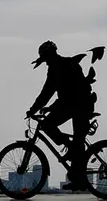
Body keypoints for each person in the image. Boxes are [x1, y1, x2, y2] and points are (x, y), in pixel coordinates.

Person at [26, 41, 95, 189]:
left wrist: (34, 109)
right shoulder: (67, 63)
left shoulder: (57, 68)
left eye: (45, 58)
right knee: (77, 142)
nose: (45, 62)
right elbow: (62, 92)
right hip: (78, 104)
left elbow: (48, 92)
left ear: (50, 55)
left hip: (77, 105)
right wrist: (50, 107)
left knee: (49, 126)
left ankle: (71, 151)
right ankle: (78, 178)